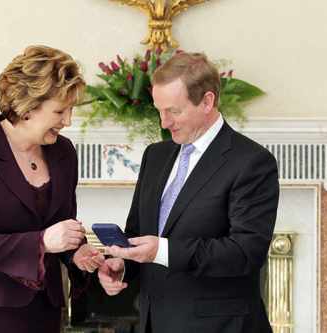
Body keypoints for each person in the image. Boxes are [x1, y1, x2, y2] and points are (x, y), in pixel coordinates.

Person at [98, 52, 279, 333]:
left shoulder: (252, 162)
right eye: (159, 110)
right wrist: (122, 265)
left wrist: (163, 249)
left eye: (174, 111)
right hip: (152, 323)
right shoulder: (155, 155)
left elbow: (245, 252)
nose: (163, 123)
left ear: (207, 101)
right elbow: (137, 232)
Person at [0, 45, 104, 333]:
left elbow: (61, 230)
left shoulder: (64, 153)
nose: (68, 121)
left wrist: (76, 253)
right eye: (60, 111)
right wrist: (42, 242)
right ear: (28, 108)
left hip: (42, 311)